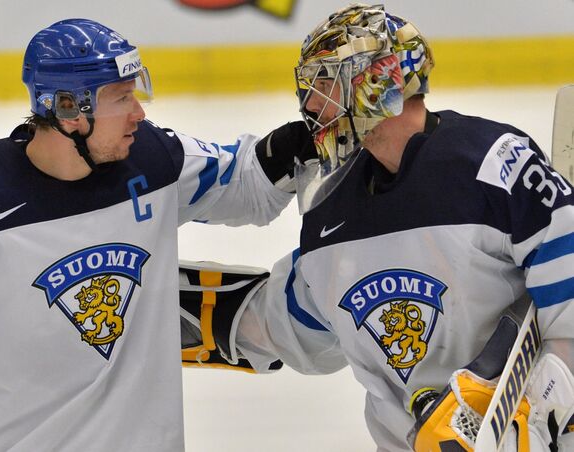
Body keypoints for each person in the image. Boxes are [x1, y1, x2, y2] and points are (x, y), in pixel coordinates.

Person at [179, 3, 574, 451]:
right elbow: (290, 324)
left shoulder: (493, 162)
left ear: (381, 79)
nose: (311, 103)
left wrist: (539, 411)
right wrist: (151, 314)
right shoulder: (331, 208)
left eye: (326, 82)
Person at [0, 18, 314, 452]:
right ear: (68, 108)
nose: (139, 113)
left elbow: (245, 184)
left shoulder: (152, 161)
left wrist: (308, 140)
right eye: (122, 97)